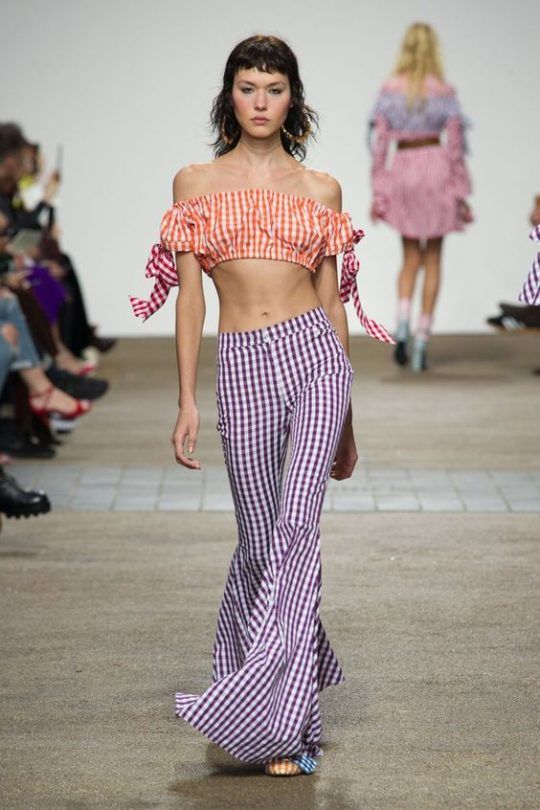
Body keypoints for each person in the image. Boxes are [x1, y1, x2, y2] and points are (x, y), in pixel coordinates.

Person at [131, 35, 392, 777]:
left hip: (315, 360)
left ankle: (287, 726)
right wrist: (187, 398)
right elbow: (190, 301)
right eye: (248, 88)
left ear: (292, 99)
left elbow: (332, 306)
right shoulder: (194, 183)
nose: (260, 102)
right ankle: (246, 685)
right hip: (242, 363)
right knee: (258, 544)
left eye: (274, 90)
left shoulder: (321, 191)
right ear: (229, 95)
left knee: (296, 535)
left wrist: (347, 419)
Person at [368, 22, 473, 372]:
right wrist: (460, 190)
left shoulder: (389, 90)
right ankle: (422, 339)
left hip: (404, 167)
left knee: (410, 257)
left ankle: (401, 323)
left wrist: (380, 188)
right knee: (434, 260)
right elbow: (456, 146)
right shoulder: (444, 91)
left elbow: (379, 143)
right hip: (436, 167)